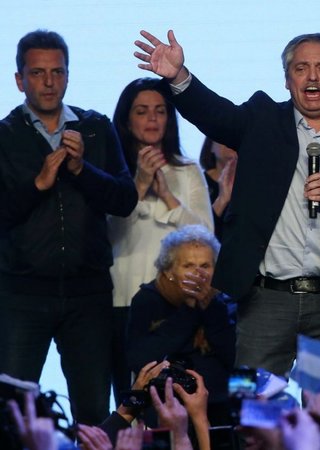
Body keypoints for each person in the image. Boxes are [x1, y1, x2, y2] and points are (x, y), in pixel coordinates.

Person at [132, 31, 320, 380]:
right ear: (287, 79)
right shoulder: (261, 120)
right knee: (253, 407)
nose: (312, 77)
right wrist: (178, 76)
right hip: (265, 300)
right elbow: (215, 114)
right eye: (301, 68)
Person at [0, 29, 137, 425]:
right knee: (14, 413)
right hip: (22, 295)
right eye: (38, 73)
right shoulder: (5, 136)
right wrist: (37, 185)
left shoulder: (95, 127)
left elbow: (124, 199)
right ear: (19, 80)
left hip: (88, 295)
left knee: (93, 413)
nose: (48, 82)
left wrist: (81, 170)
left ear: (68, 76)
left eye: (57, 72)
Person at [109, 77, 213, 405]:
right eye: (142, 111)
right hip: (122, 297)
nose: (152, 119)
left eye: (160, 111)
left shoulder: (187, 169)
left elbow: (205, 236)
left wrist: (168, 197)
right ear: (127, 120)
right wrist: (139, 184)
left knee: (175, 397)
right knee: (130, 397)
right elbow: (110, 233)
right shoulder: (112, 172)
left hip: (177, 299)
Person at [126, 224, 236, 427]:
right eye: (188, 266)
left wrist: (212, 309)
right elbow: (140, 360)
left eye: (205, 266)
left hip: (217, 400)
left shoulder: (225, 300)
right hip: (164, 400)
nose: (198, 274)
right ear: (169, 271)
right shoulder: (148, 299)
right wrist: (189, 310)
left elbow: (233, 358)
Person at [199, 137, 237, 240]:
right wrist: (222, 200)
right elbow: (196, 231)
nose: (230, 142)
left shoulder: (252, 184)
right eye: (224, 135)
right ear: (210, 146)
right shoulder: (198, 182)